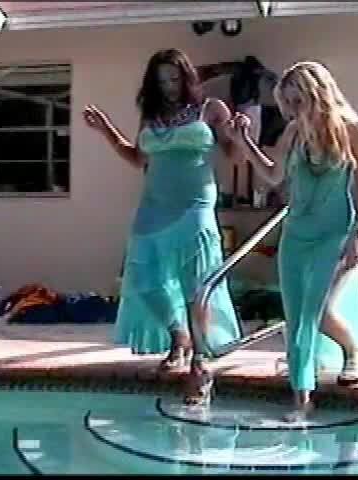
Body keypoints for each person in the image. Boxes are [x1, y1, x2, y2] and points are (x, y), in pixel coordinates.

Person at [83, 48, 242, 405]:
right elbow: (137, 158)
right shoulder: (152, 116)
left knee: (197, 283)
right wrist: (106, 130)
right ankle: (178, 336)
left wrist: (238, 134)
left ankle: (200, 362)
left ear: (187, 77)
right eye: (161, 81)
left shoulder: (211, 109)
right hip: (153, 206)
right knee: (145, 278)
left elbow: (234, 156)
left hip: (195, 203)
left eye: (174, 78)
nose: (169, 86)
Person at [226, 61, 358, 420]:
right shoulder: (294, 132)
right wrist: (244, 140)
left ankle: (352, 350)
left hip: (334, 231)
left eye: (298, 101)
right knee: (295, 315)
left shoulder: (353, 129)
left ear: (317, 94)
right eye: (288, 103)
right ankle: (301, 397)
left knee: (314, 311)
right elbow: (274, 175)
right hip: (296, 233)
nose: (293, 110)